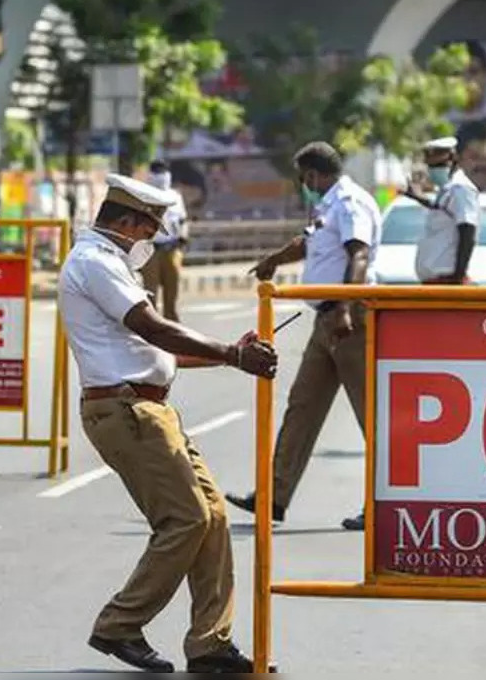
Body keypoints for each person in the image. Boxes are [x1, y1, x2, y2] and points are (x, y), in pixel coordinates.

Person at [59, 174, 278, 674]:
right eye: (149, 229)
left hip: (149, 409)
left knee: (215, 517)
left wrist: (232, 357)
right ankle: (118, 624)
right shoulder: (95, 263)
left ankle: (210, 643)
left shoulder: (111, 264)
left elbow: (152, 350)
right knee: (186, 520)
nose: (150, 240)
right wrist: (231, 353)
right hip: (128, 412)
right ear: (129, 222)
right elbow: (152, 328)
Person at [225, 141, 382, 532]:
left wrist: (346, 304)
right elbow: (309, 243)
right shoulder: (327, 205)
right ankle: (273, 497)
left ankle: (383, 503)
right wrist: (274, 260)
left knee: (371, 415)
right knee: (302, 407)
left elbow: (358, 254)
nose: (304, 185)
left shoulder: (350, 202)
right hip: (325, 320)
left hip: (351, 317)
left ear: (313, 175)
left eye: (304, 178)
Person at [410, 136, 480, 284]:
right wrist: (418, 197)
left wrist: (458, 277)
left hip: (447, 281)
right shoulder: (447, 189)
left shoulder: (460, 188)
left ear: (453, 160)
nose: (434, 171)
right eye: (431, 167)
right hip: (435, 281)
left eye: (438, 166)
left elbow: (467, 232)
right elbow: (442, 211)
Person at [141, 160, 189, 321]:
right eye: (156, 172)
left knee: (172, 293)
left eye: (163, 172)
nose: (160, 176)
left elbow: (183, 220)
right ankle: (152, 330)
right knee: (150, 293)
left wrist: (183, 238)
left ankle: (174, 331)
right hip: (150, 249)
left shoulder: (175, 196)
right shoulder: (142, 195)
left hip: (172, 248)